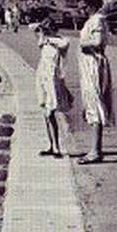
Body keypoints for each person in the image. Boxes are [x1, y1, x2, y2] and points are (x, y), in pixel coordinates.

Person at [77, 0, 114, 164]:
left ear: (91, 6)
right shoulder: (93, 20)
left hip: (93, 63)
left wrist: (84, 44)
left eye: (84, 7)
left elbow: (98, 41)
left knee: (95, 103)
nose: (82, 10)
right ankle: (95, 149)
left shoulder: (97, 20)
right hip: (88, 64)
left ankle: (95, 151)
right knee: (91, 102)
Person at [33, 19, 73, 157]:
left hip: (53, 78)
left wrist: (49, 38)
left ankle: (56, 147)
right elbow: (34, 32)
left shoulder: (60, 41)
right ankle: (52, 145)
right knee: (46, 113)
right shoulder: (43, 41)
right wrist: (42, 31)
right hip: (42, 77)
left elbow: (64, 44)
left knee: (51, 113)